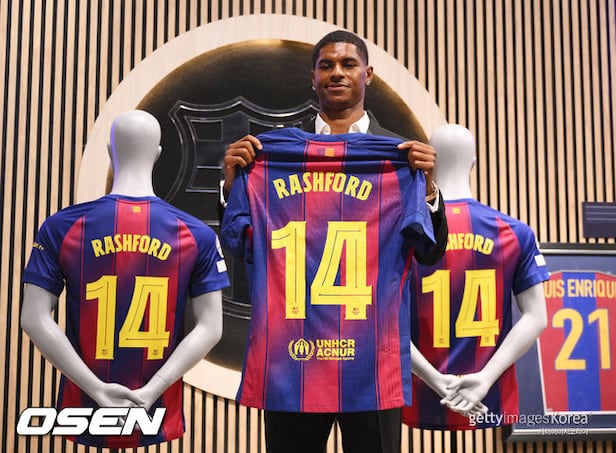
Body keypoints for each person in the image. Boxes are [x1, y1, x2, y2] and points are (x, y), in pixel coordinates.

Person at [219, 30, 448, 453]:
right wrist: (233, 186)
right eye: (326, 65)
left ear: (368, 74)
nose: (337, 73)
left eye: (348, 64)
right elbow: (239, 245)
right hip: (293, 359)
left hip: (371, 361)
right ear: (313, 78)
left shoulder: (400, 154)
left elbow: (430, 252)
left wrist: (429, 189)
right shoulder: (268, 155)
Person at [21, 110, 229, 448]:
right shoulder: (197, 235)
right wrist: (153, 388)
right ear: (158, 154)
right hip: (155, 409)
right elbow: (211, 327)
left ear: (109, 151)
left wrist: (95, 388)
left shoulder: (62, 226)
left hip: (85, 407)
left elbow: (33, 318)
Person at [402, 124, 549, 430]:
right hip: (489, 395)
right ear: (473, 163)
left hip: (418, 395)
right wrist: (486, 377)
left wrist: (432, 377)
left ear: (432, 161)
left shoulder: (406, 235)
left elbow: (385, 321)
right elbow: (537, 318)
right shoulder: (515, 232)